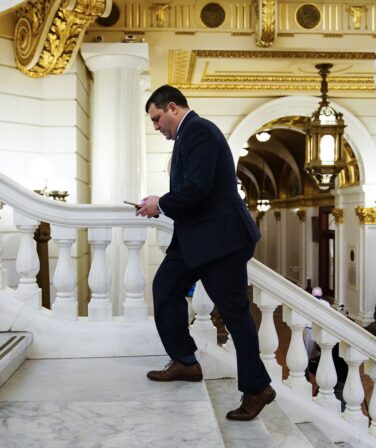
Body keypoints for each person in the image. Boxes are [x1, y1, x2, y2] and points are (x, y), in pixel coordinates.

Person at [136, 84, 274, 421]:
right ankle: (185, 361)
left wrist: (160, 203)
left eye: (156, 119)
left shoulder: (198, 131)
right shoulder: (189, 135)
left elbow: (196, 188)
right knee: (164, 289)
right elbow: (194, 189)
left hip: (222, 242)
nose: (156, 127)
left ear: (172, 108)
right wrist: (162, 204)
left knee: (235, 315)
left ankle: (257, 388)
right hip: (195, 238)